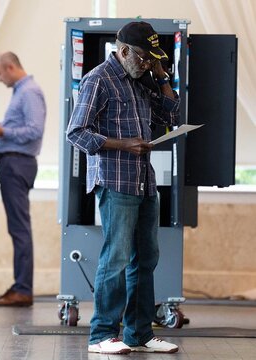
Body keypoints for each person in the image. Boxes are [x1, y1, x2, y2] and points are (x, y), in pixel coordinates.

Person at [66, 22, 180, 354]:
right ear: (125, 51)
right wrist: (123, 145)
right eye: (144, 57)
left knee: (146, 259)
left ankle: (139, 334)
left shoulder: (142, 81)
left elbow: (171, 112)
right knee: (115, 258)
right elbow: (76, 132)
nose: (147, 63)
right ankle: (101, 335)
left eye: (153, 59)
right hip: (116, 181)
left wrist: (159, 73)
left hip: (144, 181)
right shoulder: (98, 79)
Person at [0, 52, 46, 307]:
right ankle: (20, 286)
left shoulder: (29, 91)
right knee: (17, 228)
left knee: (20, 228)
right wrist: (0, 126)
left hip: (17, 164)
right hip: (14, 163)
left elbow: (34, 130)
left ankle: (23, 289)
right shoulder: (21, 92)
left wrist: (2, 131)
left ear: (10, 67)